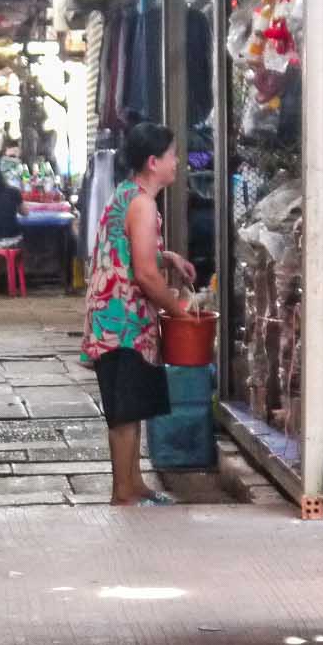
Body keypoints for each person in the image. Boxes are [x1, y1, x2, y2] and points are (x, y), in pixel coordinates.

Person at [81, 122, 196, 506]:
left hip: (112, 315)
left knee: (129, 408)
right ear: (153, 162)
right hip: (123, 321)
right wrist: (179, 311)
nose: (177, 162)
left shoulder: (126, 195)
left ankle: (134, 484)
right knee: (125, 411)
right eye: (172, 155)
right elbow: (145, 274)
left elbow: (127, 250)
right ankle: (123, 492)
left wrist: (169, 256)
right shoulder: (143, 204)